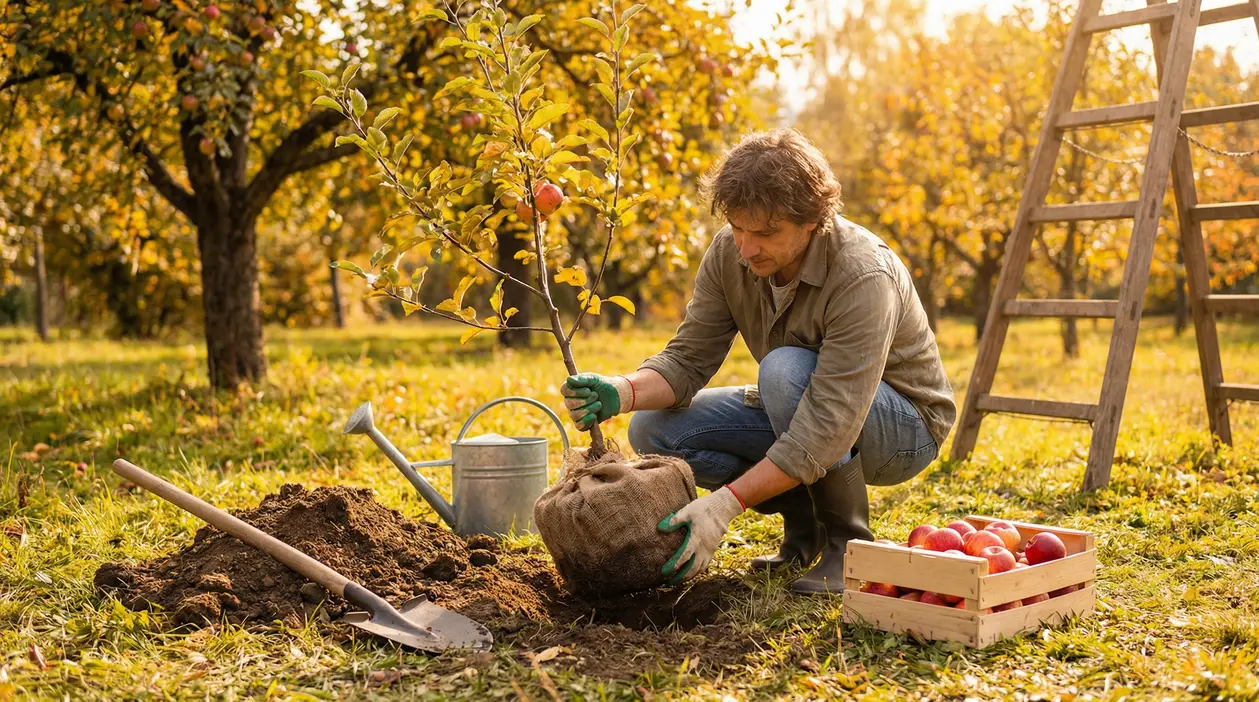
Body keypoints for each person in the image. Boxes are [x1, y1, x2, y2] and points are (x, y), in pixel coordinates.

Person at [560, 129, 956, 594]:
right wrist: (622, 391)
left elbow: (829, 423)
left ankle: (848, 544)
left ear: (812, 221)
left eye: (766, 233)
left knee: (784, 369)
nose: (747, 248)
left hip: (903, 430)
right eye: (738, 227)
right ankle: (802, 521)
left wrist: (726, 505)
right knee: (653, 429)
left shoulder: (862, 273)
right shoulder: (731, 254)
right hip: (806, 407)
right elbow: (688, 358)